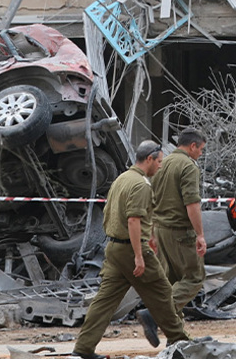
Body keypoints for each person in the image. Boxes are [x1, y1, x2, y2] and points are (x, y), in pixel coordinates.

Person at [72, 141, 190, 359]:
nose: (160, 166)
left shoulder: (122, 179)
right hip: (132, 248)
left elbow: (111, 213)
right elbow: (134, 220)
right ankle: (180, 340)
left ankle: (83, 348)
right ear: (149, 159)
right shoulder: (141, 185)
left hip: (114, 248)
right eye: (159, 162)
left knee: (104, 301)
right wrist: (138, 255)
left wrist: (149, 236)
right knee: (163, 293)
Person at [151, 129, 208, 319]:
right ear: (192, 146)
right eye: (200, 149)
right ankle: (155, 313)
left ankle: (173, 330)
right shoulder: (188, 166)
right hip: (180, 231)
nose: (201, 153)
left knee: (172, 280)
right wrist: (200, 235)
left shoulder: (162, 163)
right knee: (194, 278)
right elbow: (192, 204)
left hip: (160, 229)